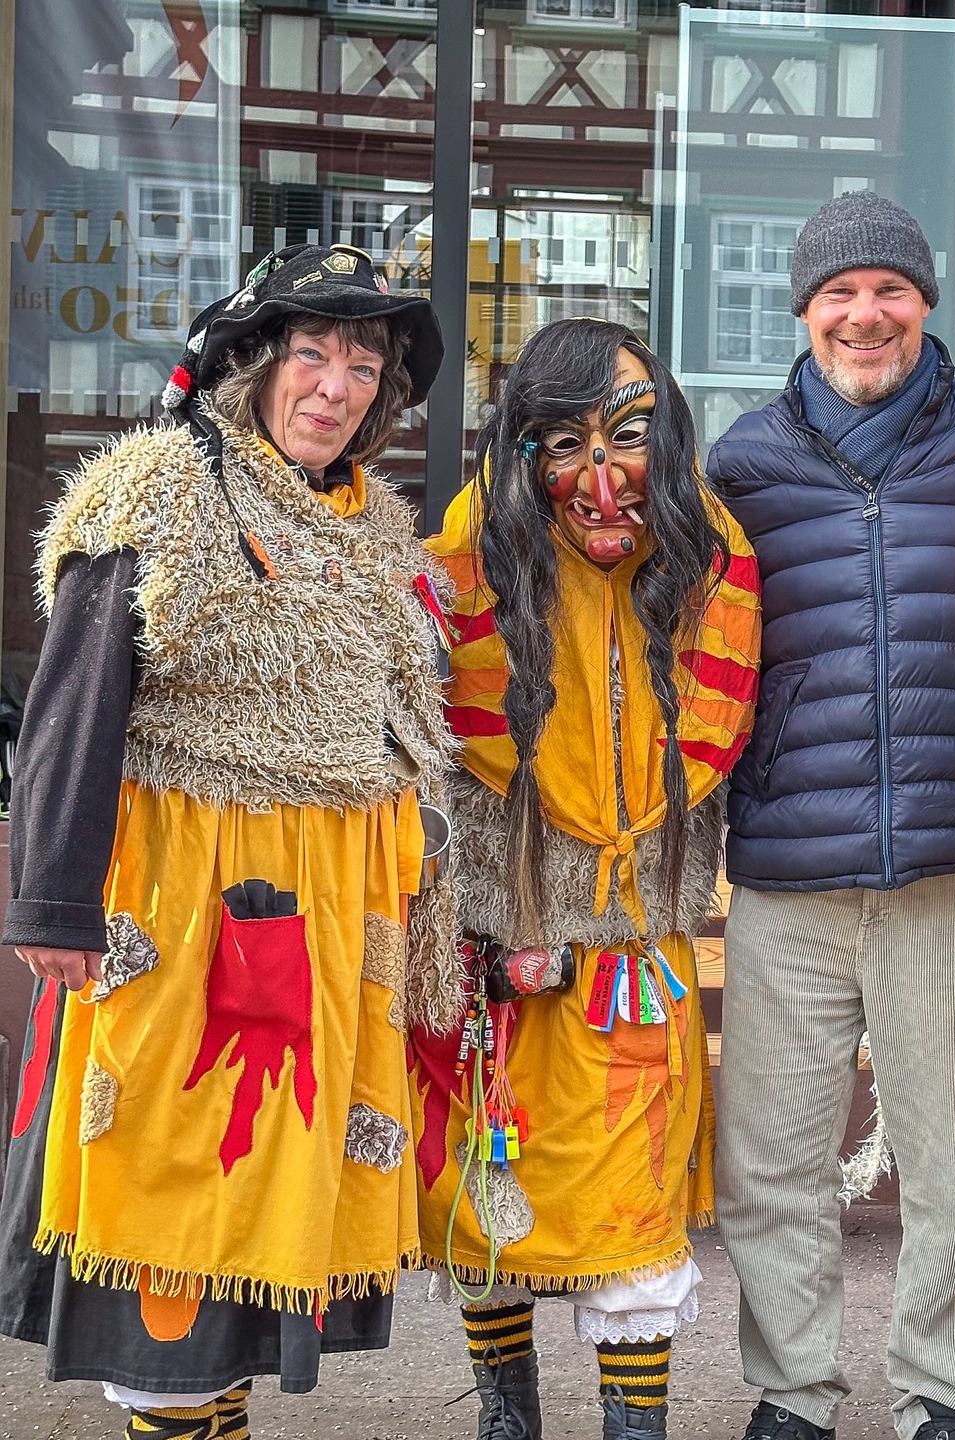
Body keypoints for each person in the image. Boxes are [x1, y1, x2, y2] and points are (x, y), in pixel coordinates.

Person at [0, 243, 454, 1440]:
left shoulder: (374, 525)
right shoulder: (161, 490)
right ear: (251, 364)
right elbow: (75, 703)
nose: (338, 385)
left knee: (263, 1218)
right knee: (184, 1202)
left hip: (330, 929)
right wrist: (52, 905)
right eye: (312, 352)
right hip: (192, 915)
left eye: (365, 363)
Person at [706, 191, 955, 1440]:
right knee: (770, 1163)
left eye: (890, 291)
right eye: (840, 294)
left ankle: (942, 1397)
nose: (866, 315)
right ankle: (791, 1395)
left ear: (924, 306)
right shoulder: (738, 462)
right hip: (789, 871)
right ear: (802, 312)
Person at [410, 318, 760, 1440]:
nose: (601, 481)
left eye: (627, 439)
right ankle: (505, 1422)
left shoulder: (713, 562)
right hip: (496, 954)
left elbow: (710, 728)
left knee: (630, 1208)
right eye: (563, 445)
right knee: (488, 1202)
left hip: (629, 957)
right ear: (520, 456)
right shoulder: (463, 567)